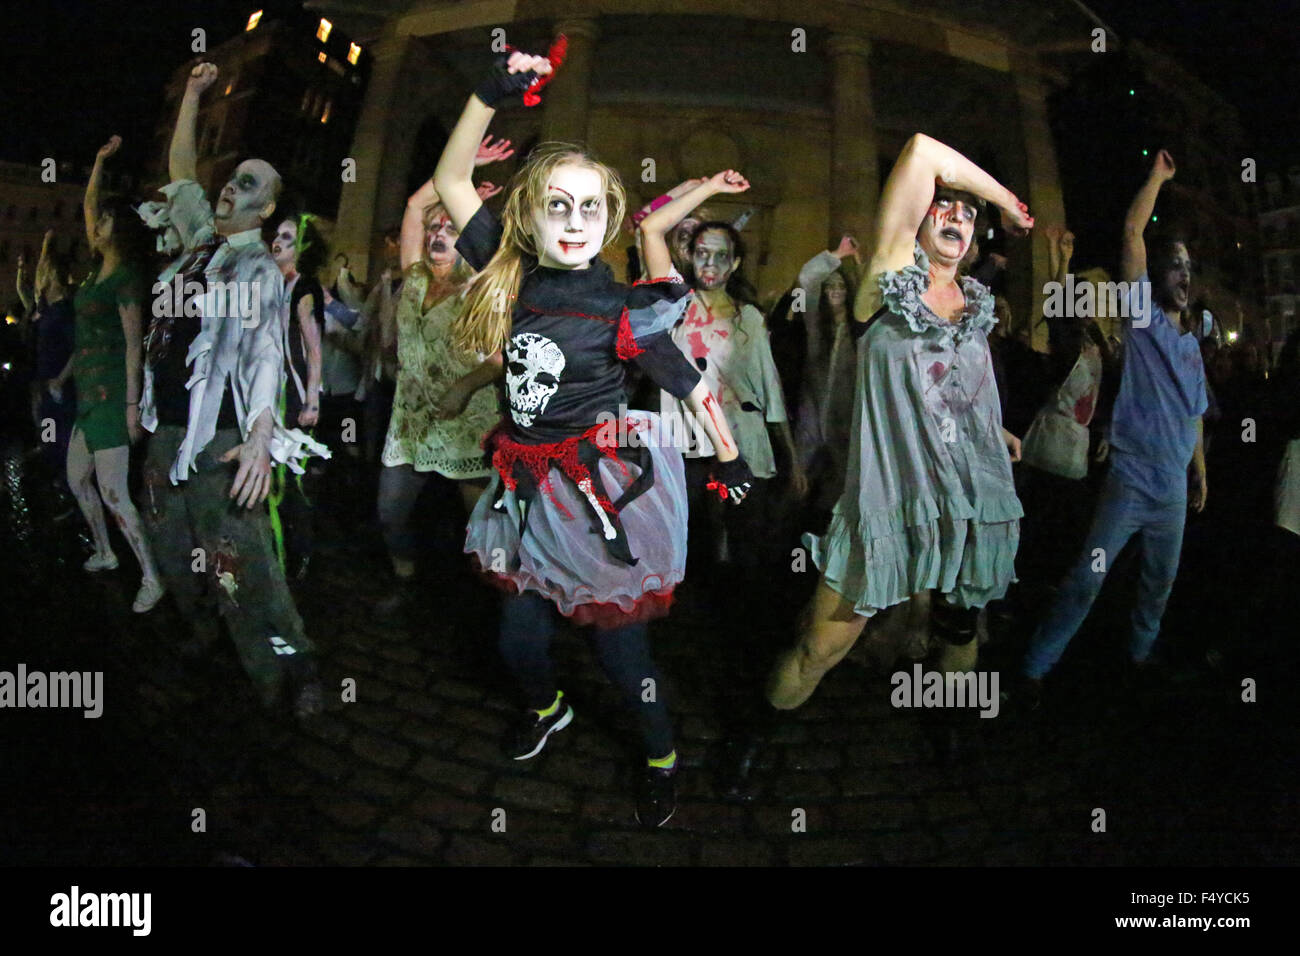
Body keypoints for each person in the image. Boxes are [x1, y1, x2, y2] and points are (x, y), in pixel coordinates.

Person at [432, 46, 753, 827]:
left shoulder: (621, 306)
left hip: (594, 496)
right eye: (556, 205)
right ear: (530, 217)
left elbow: (685, 377)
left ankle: (660, 754)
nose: (573, 222)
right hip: (522, 486)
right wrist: (489, 93)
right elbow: (450, 181)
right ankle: (548, 712)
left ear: (609, 220)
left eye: (588, 208)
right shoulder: (512, 275)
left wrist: (733, 458)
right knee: (517, 637)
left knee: (620, 651)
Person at [763, 132, 1031, 715]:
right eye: (946, 205)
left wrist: (996, 428)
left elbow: (960, 390)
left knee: (961, 633)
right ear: (920, 220)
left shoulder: (976, 304)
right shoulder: (889, 280)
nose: (959, 214)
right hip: (889, 502)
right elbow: (921, 152)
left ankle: (948, 722)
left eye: (970, 214)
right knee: (820, 648)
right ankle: (758, 734)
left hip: (968, 499)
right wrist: (1007, 199)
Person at [138, 62, 328, 717]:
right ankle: (200, 626)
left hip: (219, 437)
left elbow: (266, 358)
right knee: (171, 546)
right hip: (165, 434)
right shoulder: (196, 245)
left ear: (267, 207)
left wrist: (255, 437)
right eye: (232, 179)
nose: (228, 190)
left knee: (238, 559)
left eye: (247, 185)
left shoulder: (258, 270)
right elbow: (182, 172)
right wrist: (192, 93)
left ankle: (290, 665)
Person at [1021, 150, 1207, 700]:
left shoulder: (1193, 348)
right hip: (1130, 480)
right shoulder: (1142, 319)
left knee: (1158, 584)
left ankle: (1138, 659)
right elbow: (1131, 231)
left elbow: (1195, 415)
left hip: (1172, 489)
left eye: (1189, 269)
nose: (1183, 275)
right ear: (1156, 274)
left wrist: (1200, 473)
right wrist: (1156, 176)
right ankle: (1035, 668)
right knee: (1088, 577)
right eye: (1175, 265)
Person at [374, 164, 510, 616]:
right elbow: (415, 205)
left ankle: (487, 606)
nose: (437, 234)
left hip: (467, 424)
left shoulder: (481, 287)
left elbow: (501, 357)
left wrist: (464, 387)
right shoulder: (413, 277)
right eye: (434, 226)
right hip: (411, 422)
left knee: (479, 527)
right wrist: (461, 166)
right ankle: (405, 579)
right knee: (390, 513)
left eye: (450, 228)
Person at [652, 205, 805, 574]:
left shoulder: (748, 318)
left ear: (735, 264)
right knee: (689, 543)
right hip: (688, 445)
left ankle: (740, 618)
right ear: (690, 257)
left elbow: (770, 391)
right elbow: (649, 232)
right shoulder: (673, 310)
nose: (711, 263)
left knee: (744, 546)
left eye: (722, 256)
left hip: (743, 440)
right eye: (703, 253)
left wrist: (792, 459)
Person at [68, 135, 164, 612]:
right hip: (88, 392)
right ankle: (105, 552)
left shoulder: (125, 277)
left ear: (118, 230)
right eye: (99, 219)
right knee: (75, 478)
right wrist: (99, 161)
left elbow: (133, 346)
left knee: (113, 492)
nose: (97, 224)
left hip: (111, 397)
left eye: (106, 219)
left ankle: (151, 576)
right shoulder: (95, 269)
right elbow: (87, 207)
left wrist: (131, 407)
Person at [268, 213, 326, 578]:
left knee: (292, 478)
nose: (277, 242)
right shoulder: (269, 285)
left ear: (302, 247)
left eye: (287, 238)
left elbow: (314, 349)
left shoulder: (303, 289)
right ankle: (275, 552)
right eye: (276, 235)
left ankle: (300, 553)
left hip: (292, 397)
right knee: (270, 472)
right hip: (266, 394)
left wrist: (311, 402)